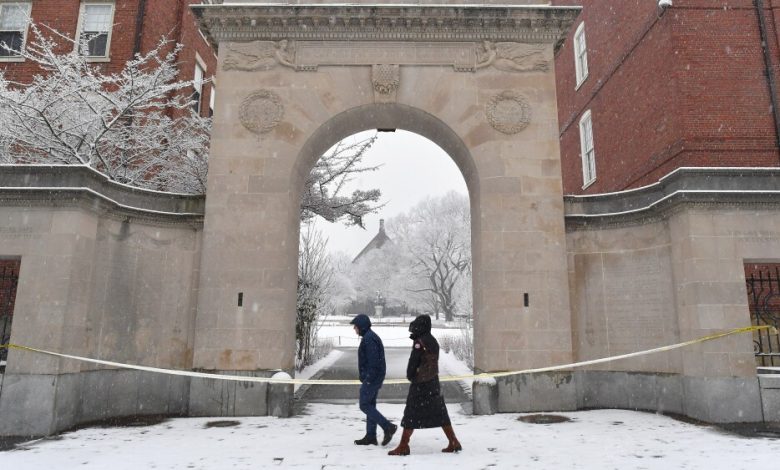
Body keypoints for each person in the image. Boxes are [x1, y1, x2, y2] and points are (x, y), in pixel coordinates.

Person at [388, 314, 462, 456]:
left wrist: (410, 375)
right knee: (440, 412)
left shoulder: (419, 342)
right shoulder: (432, 340)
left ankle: (403, 445)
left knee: (411, 413)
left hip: (420, 384)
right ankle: (453, 441)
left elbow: (414, 362)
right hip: (433, 382)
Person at [350, 314, 397, 446]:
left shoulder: (369, 339)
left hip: (372, 378)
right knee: (370, 405)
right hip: (373, 377)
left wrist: (368, 379)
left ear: (361, 327)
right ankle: (371, 436)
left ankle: (388, 426)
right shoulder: (369, 337)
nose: (354, 328)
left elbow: (374, 362)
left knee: (364, 405)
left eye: (355, 326)